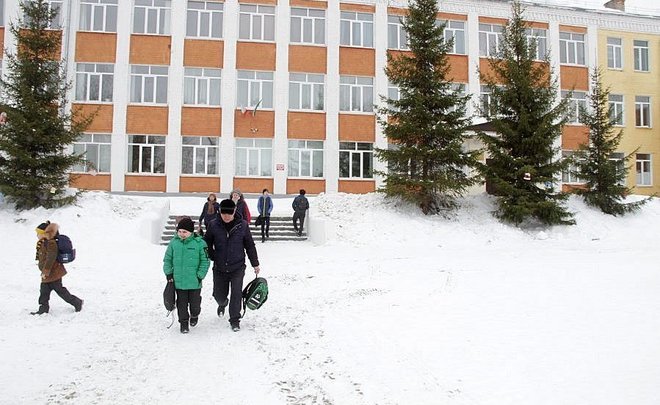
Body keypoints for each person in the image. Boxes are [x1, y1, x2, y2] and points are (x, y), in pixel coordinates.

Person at [204, 199, 260, 332]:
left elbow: (249, 245)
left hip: (237, 266)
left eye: (229, 214)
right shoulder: (213, 225)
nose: (226, 216)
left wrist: (255, 263)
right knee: (218, 295)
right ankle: (223, 303)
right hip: (220, 267)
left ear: (234, 211)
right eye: (224, 214)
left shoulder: (243, 225)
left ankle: (235, 319)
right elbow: (206, 244)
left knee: (236, 293)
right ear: (220, 212)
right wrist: (213, 256)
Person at [163, 217, 210, 334]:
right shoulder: (174, 243)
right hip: (179, 282)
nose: (181, 234)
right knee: (181, 304)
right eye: (179, 231)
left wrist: (200, 275)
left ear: (191, 232)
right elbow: (167, 259)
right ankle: (183, 323)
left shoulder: (200, 243)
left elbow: (205, 261)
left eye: (185, 232)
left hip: (195, 282)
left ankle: (194, 315)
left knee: (195, 305)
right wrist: (168, 273)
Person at [31, 221, 83, 315]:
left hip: (54, 272)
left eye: (38, 233)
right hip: (47, 273)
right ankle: (43, 309)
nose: (37, 235)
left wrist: (46, 271)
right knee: (44, 292)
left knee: (60, 291)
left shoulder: (50, 243)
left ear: (45, 234)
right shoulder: (43, 243)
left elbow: (51, 258)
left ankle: (76, 302)